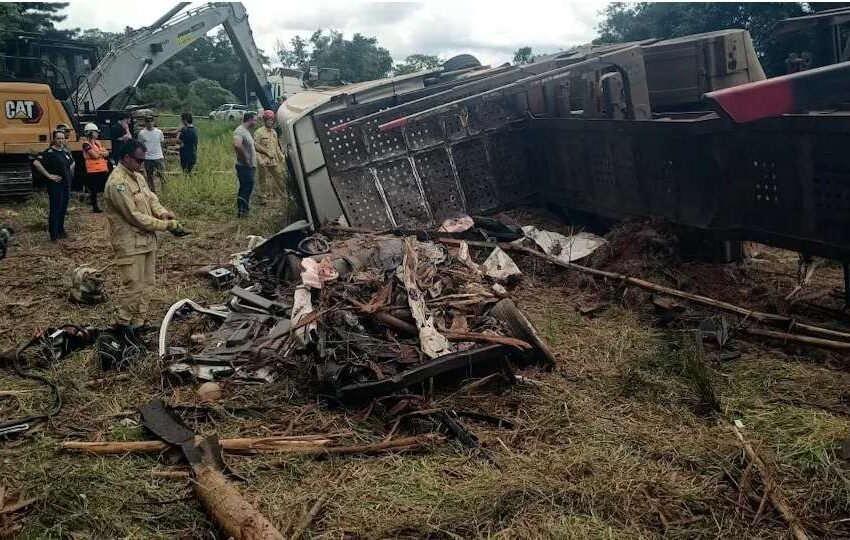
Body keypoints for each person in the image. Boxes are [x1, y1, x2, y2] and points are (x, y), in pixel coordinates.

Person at [103, 139, 180, 339]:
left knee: (147, 284)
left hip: (146, 241)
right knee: (133, 285)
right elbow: (134, 216)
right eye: (139, 160)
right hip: (129, 243)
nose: (142, 164)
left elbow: (151, 197)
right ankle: (122, 325)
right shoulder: (117, 183)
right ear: (127, 158)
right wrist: (166, 226)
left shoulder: (137, 176)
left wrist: (162, 213)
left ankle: (138, 323)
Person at [33, 130, 75, 241]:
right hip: (55, 185)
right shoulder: (49, 153)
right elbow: (36, 163)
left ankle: (61, 230)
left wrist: (70, 173)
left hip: (66, 184)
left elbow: (71, 162)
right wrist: (49, 175)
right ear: (54, 140)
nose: (61, 140)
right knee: (55, 209)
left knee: (63, 208)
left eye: (62, 138)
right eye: (58, 138)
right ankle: (54, 234)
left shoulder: (65, 152)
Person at [253, 110, 286, 203]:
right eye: (268, 120)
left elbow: (276, 147)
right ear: (265, 120)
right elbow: (255, 147)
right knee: (262, 179)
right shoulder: (259, 132)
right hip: (263, 160)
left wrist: (281, 157)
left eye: (271, 120)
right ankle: (263, 197)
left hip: (273, 160)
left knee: (279, 176)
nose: (270, 122)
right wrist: (260, 160)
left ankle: (283, 196)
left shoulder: (274, 132)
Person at [232, 111, 257, 217]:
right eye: (255, 120)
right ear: (250, 119)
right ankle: (242, 211)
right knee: (245, 188)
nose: (256, 122)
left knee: (247, 187)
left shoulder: (246, 131)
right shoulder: (239, 131)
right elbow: (237, 145)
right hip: (244, 166)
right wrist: (246, 160)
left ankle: (245, 210)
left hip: (248, 166)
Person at [82, 123, 110, 212]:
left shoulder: (98, 143)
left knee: (107, 188)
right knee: (94, 190)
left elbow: (107, 153)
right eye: (96, 132)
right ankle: (95, 207)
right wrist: (101, 153)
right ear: (91, 133)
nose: (97, 134)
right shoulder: (86, 144)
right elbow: (94, 156)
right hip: (92, 170)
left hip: (103, 169)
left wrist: (100, 154)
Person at [137, 114, 165, 192]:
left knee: (162, 175)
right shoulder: (142, 133)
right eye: (147, 121)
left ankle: (165, 190)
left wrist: (162, 154)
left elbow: (162, 144)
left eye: (151, 121)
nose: (149, 123)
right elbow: (140, 146)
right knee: (150, 176)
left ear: (153, 122)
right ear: (145, 123)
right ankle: (152, 191)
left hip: (158, 157)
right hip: (148, 158)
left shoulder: (159, 132)